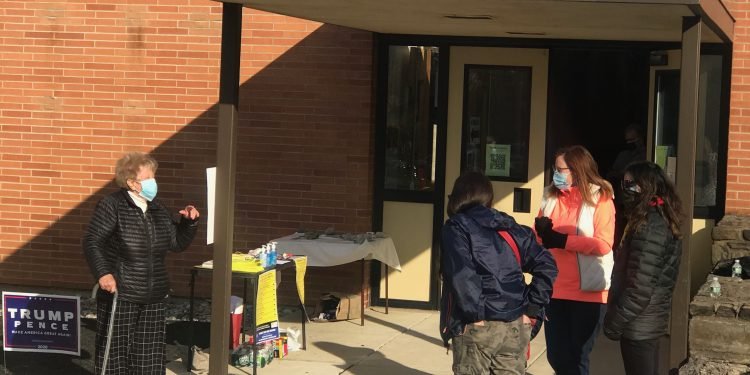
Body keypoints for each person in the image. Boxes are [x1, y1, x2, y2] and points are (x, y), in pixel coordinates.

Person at [83, 152, 200, 374]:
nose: (153, 182)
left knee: (149, 354)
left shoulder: (158, 208)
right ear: (132, 183)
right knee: (114, 353)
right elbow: (92, 242)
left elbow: (175, 243)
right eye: (148, 177)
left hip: (154, 292)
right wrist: (103, 273)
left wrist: (188, 224)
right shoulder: (112, 205)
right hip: (121, 291)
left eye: (153, 176)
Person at [440, 171, 558, 375]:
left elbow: (461, 275)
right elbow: (547, 264)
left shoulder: (456, 228)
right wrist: (531, 308)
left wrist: (475, 315)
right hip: (514, 324)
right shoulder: (510, 227)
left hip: (478, 326)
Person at [534, 145, 615, 375]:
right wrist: (539, 234)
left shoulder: (601, 198)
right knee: (556, 356)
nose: (556, 174)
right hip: (554, 288)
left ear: (577, 170)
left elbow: (603, 244)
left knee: (578, 357)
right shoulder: (550, 196)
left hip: (587, 291)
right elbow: (537, 236)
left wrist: (563, 241)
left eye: (561, 170)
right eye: (555, 169)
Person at [603, 161, 683, 375]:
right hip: (644, 321)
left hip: (639, 324)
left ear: (647, 187)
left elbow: (640, 288)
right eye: (624, 183)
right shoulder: (654, 219)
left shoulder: (650, 227)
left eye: (631, 184)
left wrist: (614, 322)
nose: (626, 189)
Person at [607, 124, 647, 246]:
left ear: (641, 137)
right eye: (628, 140)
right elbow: (611, 173)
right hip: (623, 201)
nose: (631, 143)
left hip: (640, 200)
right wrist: (621, 175)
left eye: (633, 139)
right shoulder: (623, 155)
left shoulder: (647, 153)